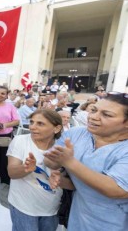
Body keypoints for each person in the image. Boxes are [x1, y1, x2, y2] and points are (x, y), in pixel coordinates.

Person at [45, 92, 128, 230]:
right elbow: (49, 160)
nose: (93, 117)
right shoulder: (77, 133)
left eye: (107, 115)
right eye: (94, 110)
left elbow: (116, 189)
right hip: (78, 218)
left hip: (114, 223)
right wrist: (56, 169)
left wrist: (69, 162)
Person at [7, 109, 64, 231]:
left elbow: (70, 183)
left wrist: (60, 179)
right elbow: (11, 172)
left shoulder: (62, 148)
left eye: (40, 124)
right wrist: (26, 168)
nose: (32, 127)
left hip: (51, 209)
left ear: (56, 128)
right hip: (23, 207)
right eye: (32, 122)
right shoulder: (20, 141)